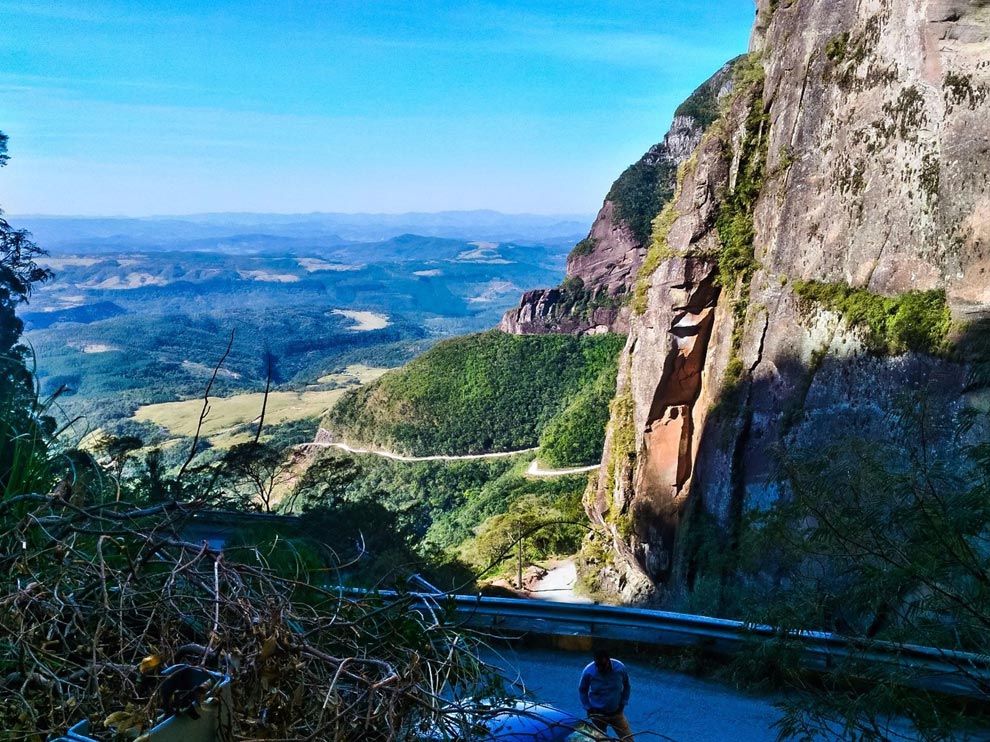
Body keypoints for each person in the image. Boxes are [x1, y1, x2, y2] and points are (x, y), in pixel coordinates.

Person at [578, 648, 632, 740]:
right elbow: (582, 689)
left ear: (608, 660)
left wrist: (623, 704)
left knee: (628, 739)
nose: (600, 668)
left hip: (616, 713)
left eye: (602, 665)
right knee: (600, 740)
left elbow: (627, 686)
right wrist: (588, 708)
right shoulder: (588, 671)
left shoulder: (620, 668)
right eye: (597, 665)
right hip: (597, 715)